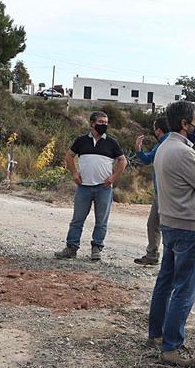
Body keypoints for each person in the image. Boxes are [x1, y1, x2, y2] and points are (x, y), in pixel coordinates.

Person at [147, 101, 195, 367]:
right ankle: (171, 348)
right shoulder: (184, 152)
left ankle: (156, 335)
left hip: (169, 222)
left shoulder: (163, 147)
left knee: (165, 281)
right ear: (184, 124)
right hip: (188, 225)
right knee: (185, 288)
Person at [55, 111, 126, 262]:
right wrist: (74, 173)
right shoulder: (81, 141)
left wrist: (113, 177)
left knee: (101, 221)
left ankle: (96, 248)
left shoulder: (112, 143)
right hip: (84, 187)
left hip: (104, 188)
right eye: (101, 122)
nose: (104, 125)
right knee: (77, 220)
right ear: (92, 123)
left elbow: (122, 161)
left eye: (106, 122)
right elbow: (69, 156)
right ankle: (71, 248)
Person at [133, 117, 170, 266]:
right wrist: (138, 150)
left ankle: (156, 255)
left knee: (157, 224)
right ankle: (154, 255)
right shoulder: (163, 144)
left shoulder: (164, 144)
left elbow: (147, 159)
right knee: (156, 224)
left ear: (158, 130)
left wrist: (138, 150)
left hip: (164, 193)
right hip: (162, 192)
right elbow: (148, 159)